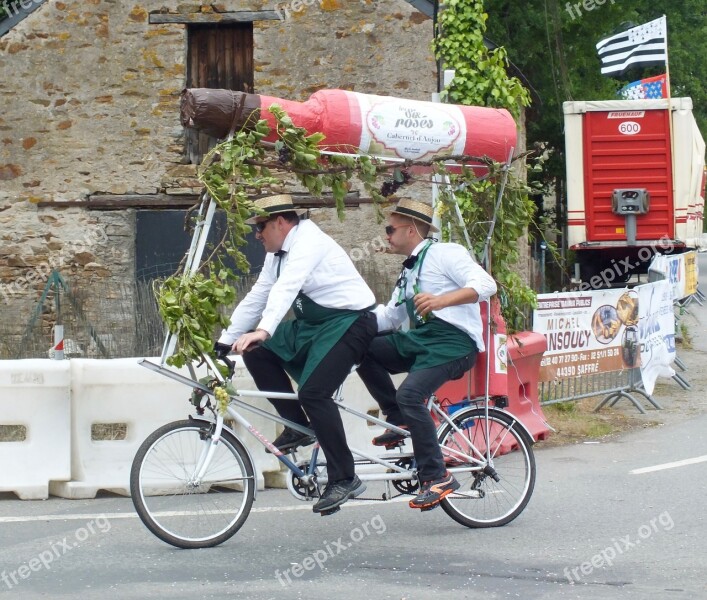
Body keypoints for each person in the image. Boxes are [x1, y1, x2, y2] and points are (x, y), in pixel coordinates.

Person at [217, 194, 377, 514]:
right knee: (258, 352)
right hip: (315, 326)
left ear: (281, 222)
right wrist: (225, 341)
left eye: (261, 226)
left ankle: (345, 477)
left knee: (314, 393)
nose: (257, 234)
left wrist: (263, 329)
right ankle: (298, 426)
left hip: (349, 324)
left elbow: (286, 288)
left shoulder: (308, 241)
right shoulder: (277, 253)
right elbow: (260, 293)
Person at [357, 198, 497, 511]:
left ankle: (437, 476)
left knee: (411, 395)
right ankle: (398, 419)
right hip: (422, 339)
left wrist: (441, 301)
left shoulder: (446, 253)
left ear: (409, 230)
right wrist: (350, 324)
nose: (386, 236)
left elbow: (486, 284)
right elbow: (391, 318)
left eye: (389, 229)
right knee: (362, 348)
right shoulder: (409, 271)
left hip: (455, 343)